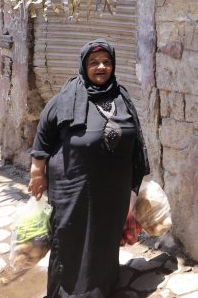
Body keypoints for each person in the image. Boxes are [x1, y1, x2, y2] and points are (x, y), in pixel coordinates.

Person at [28, 39, 149, 298]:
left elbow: (135, 137)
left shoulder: (121, 96)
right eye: (94, 63)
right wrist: (37, 171)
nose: (101, 67)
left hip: (112, 187)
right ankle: (69, 292)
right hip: (74, 186)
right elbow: (44, 135)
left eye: (106, 62)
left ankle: (101, 285)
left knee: (104, 237)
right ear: (84, 66)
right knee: (71, 238)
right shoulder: (67, 97)